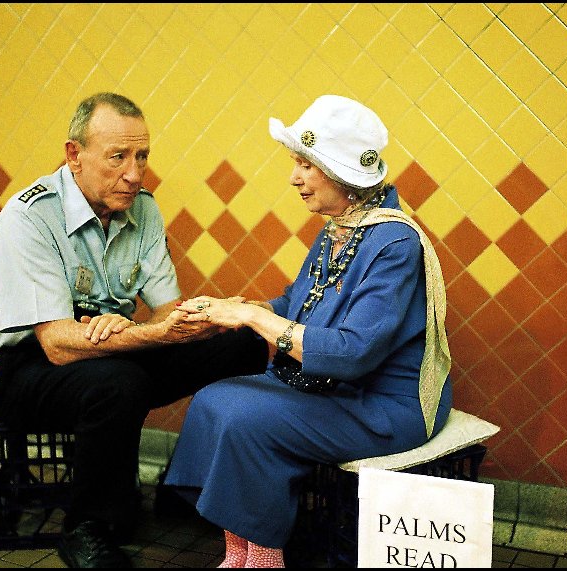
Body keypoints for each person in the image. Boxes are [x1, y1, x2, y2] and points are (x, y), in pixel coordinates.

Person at [0, 92, 268, 568]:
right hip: (29, 368)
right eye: (118, 157)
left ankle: (188, 485)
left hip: (115, 348)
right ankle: (87, 528)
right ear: (75, 155)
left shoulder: (143, 209)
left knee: (242, 345)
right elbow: (58, 345)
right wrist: (148, 334)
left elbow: (167, 309)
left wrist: (222, 315)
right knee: (118, 383)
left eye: (142, 156)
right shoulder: (29, 218)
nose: (134, 173)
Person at [162, 94, 454, 568]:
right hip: (337, 391)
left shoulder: (395, 242)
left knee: (245, 420)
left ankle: (263, 560)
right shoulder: (340, 227)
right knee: (216, 399)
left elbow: (352, 354)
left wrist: (255, 319)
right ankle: (241, 552)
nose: (293, 177)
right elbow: (299, 305)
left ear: (340, 171)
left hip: (383, 406)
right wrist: (232, 309)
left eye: (305, 165)